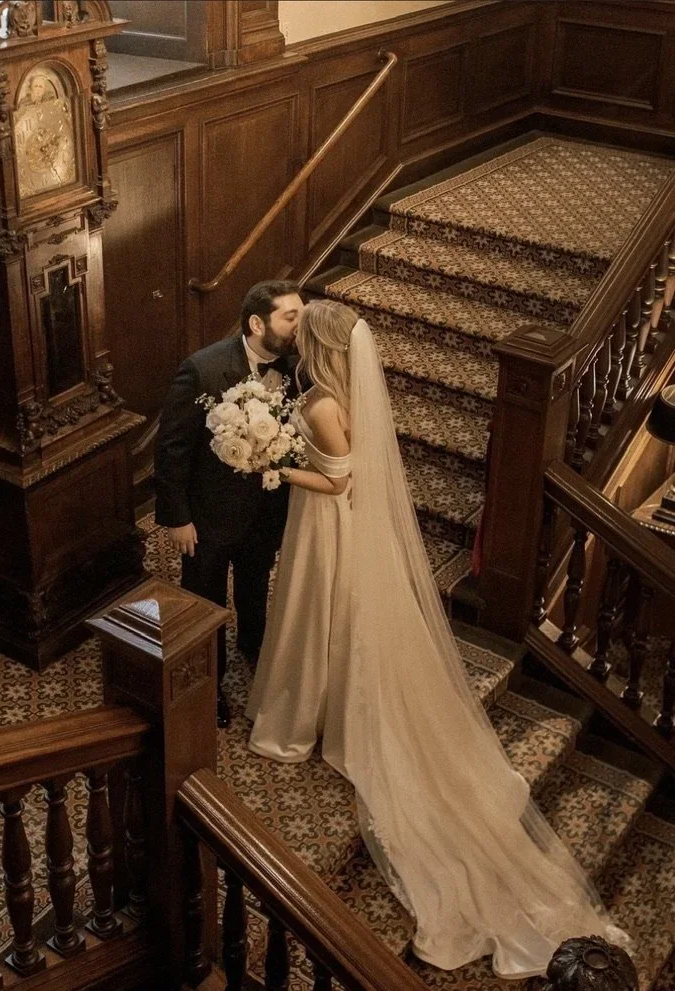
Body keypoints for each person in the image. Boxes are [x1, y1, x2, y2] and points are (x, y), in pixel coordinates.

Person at [246, 299, 629, 979]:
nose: (294, 336)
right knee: (331, 619)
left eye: (302, 331)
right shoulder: (343, 397)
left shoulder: (321, 407)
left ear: (320, 346)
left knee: (319, 614)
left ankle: (306, 709)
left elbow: (337, 481)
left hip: (327, 524)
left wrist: (271, 468)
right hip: (341, 525)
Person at [154, 280, 304, 728]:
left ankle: (254, 648)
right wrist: (177, 518)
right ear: (258, 323)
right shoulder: (203, 370)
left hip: (266, 513)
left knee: (256, 584)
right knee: (206, 600)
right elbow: (171, 449)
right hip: (209, 517)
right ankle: (208, 685)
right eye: (291, 316)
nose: (301, 325)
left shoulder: (299, 369)